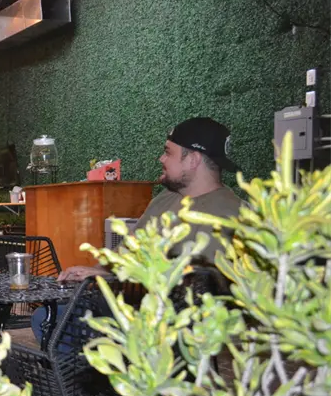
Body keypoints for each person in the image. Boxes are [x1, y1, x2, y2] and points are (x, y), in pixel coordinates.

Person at [33, 117, 245, 343]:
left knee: (60, 325)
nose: (161, 158)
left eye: (168, 152)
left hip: (177, 324)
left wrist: (110, 277)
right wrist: (92, 271)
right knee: (47, 317)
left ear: (192, 160)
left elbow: (193, 289)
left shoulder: (229, 214)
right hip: (133, 302)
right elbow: (128, 252)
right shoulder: (166, 198)